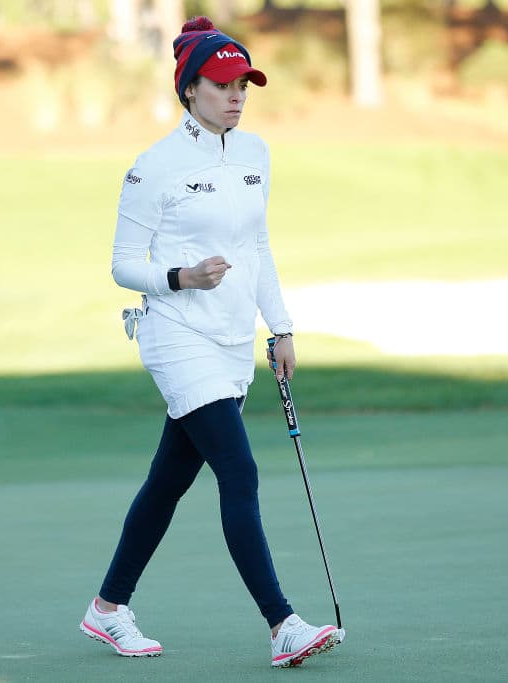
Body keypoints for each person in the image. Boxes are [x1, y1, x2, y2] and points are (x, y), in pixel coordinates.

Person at [79, 16, 344, 669]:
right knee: (239, 469)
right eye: (222, 85)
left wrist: (280, 325)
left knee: (167, 482)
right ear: (190, 89)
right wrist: (182, 276)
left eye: (243, 85)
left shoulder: (255, 154)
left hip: (230, 340)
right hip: (175, 332)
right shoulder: (155, 166)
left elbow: (258, 246)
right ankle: (282, 624)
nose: (236, 96)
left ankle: (107, 608)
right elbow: (122, 264)